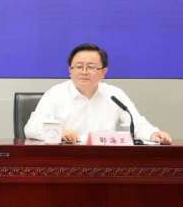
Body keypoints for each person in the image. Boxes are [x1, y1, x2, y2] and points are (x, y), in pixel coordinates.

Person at [24, 43, 172, 144]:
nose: (84, 72)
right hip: (66, 158)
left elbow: (136, 124)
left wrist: (153, 134)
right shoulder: (55, 94)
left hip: (105, 161)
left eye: (91, 67)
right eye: (79, 66)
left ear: (103, 72)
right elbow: (31, 128)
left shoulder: (114, 95)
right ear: (70, 70)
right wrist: (59, 133)